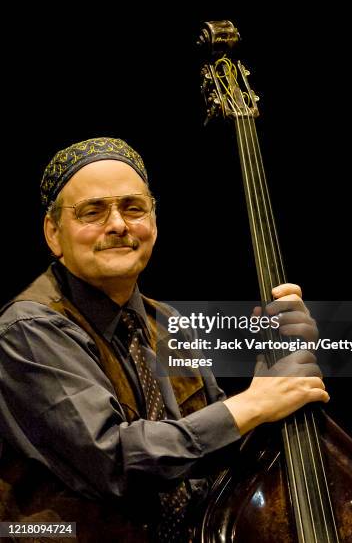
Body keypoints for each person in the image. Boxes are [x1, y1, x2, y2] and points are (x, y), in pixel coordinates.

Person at [0, 137, 328, 542]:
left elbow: (212, 448)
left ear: (153, 221)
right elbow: (114, 461)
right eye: (93, 211)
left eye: (133, 207)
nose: (118, 224)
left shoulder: (167, 322)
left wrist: (276, 370)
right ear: (53, 233)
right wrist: (252, 403)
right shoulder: (29, 327)